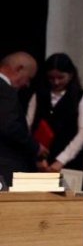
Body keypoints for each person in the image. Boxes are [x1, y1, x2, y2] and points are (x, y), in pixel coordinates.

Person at [27, 53, 83, 174]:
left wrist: (61, 160)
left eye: (61, 77)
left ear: (71, 75)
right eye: (51, 78)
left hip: (69, 163)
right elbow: (28, 126)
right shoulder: (38, 96)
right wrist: (38, 157)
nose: (56, 82)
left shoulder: (81, 97)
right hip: (40, 163)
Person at [0, 51, 38, 187]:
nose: (27, 84)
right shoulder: (5, 90)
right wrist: (35, 147)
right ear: (19, 69)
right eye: (28, 78)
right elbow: (9, 126)